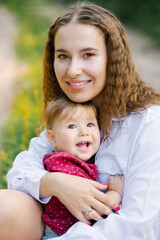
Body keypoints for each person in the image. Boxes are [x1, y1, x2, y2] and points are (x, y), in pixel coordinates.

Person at [0, 1, 160, 240]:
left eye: (88, 55)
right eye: (63, 56)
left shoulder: (147, 122)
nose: (73, 70)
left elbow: (136, 226)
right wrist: (56, 182)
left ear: (112, 58)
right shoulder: (71, 112)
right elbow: (19, 175)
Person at [42, 96, 123, 239]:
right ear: (53, 138)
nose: (84, 132)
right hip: (60, 235)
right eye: (72, 126)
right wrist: (115, 192)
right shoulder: (65, 165)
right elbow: (91, 208)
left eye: (90, 124)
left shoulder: (71, 160)